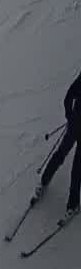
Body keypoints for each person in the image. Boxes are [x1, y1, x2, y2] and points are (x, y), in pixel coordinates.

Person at [34, 69, 81, 220]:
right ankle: (44, 181)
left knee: (77, 168)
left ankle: (73, 205)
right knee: (60, 154)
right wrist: (69, 115)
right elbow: (69, 96)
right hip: (74, 127)